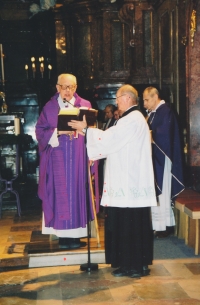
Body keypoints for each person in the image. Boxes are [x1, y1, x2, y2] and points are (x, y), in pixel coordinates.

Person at [69, 84, 157, 278]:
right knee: (132, 225)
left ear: (127, 98)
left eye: (118, 98)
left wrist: (87, 130)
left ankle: (132, 266)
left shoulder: (132, 119)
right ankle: (134, 264)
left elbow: (111, 139)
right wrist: (87, 132)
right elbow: (112, 140)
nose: (116, 102)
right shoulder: (132, 118)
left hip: (129, 183)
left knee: (129, 225)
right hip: (128, 181)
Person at [35, 73, 98, 249]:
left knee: (77, 193)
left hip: (78, 158)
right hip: (58, 158)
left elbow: (93, 131)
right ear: (57, 88)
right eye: (64, 87)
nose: (68, 90)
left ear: (76, 88)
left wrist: (90, 144)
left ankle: (77, 235)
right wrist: (59, 132)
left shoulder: (85, 105)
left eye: (71, 87)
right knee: (60, 194)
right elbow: (40, 132)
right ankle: (63, 236)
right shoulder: (49, 107)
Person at [143, 87, 184, 238]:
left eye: (147, 100)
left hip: (163, 158)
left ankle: (165, 225)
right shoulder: (153, 113)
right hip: (155, 158)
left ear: (155, 97)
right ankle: (157, 225)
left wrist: (149, 134)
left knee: (163, 191)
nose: (145, 103)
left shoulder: (165, 110)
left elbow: (165, 134)